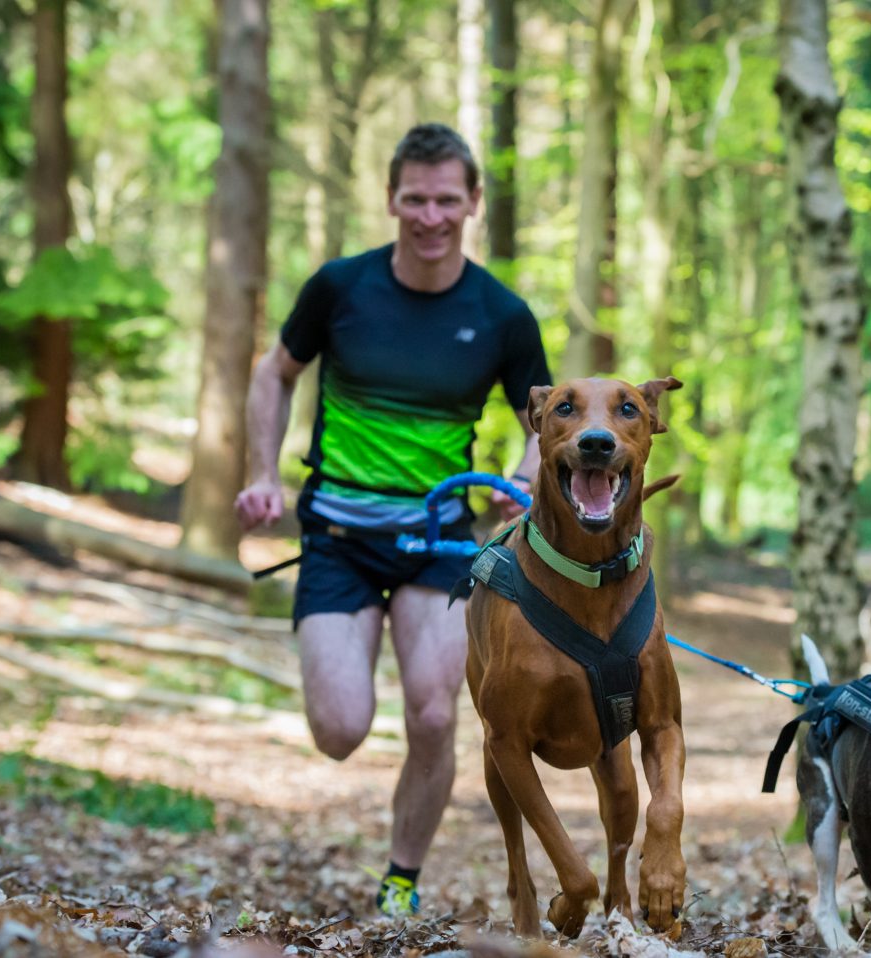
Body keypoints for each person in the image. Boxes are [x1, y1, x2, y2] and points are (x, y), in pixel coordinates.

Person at [234, 123, 551, 918]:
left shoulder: (503, 314)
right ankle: (337, 664)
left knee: (438, 711)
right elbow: (273, 377)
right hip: (337, 542)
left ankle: (400, 881)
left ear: (474, 202)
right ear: (391, 199)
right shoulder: (340, 287)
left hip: (439, 543)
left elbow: (548, 419)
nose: (431, 215)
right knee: (340, 730)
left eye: (449, 199)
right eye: (416, 198)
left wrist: (520, 481)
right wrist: (260, 473)